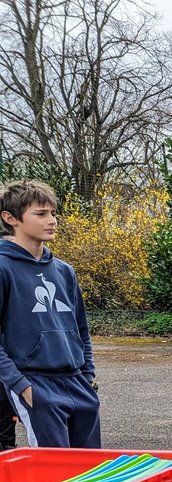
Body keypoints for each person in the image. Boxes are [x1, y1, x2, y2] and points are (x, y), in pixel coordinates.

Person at [0, 180, 101, 449]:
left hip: (77, 382)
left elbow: (81, 329)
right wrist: (23, 387)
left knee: (90, 472)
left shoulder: (64, 270)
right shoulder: (3, 268)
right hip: (35, 385)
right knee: (55, 476)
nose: (52, 220)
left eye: (53, 213)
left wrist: (87, 375)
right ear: (11, 218)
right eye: (41, 214)